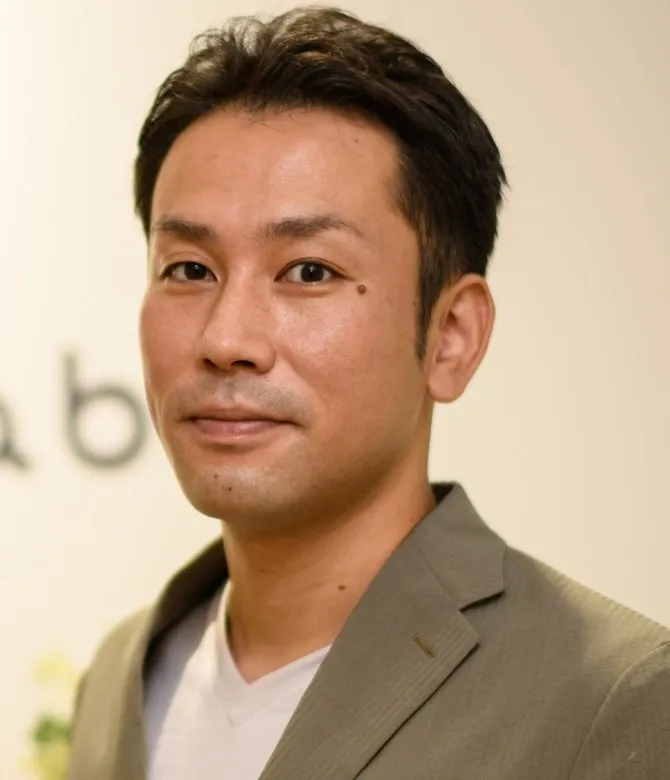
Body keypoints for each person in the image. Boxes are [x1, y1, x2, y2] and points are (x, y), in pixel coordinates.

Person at [67, 7, 669, 779]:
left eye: (309, 271)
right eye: (189, 269)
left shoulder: (609, 696)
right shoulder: (122, 676)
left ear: (451, 335)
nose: (226, 338)